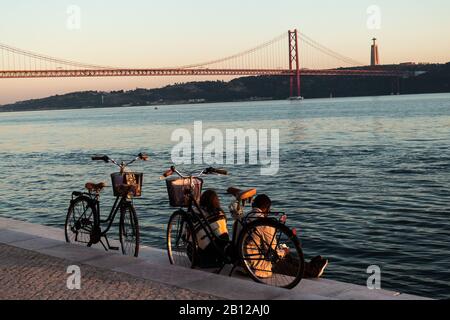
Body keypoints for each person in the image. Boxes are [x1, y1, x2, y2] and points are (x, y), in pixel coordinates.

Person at [240, 194, 328, 279]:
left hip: (242, 262)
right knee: (282, 259)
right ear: (267, 209)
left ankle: (309, 266)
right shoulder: (265, 223)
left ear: (253, 205)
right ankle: (313, 270)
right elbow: (273, 254)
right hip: (256, 268)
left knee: (285, 256)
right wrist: (284, 251)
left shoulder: (242, 218)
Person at [193, 190, 230, 268]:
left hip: (204, 250)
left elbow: (189, 233)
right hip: (222, 247)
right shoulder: (220, 213)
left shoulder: (196, 212)